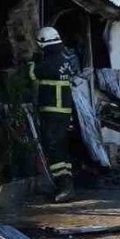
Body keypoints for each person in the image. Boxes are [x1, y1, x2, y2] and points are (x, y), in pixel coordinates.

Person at [29, 27, 76, 202]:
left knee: (54, 148)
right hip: (64, 112)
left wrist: (32, 63)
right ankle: (66, 183)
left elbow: (33, 75)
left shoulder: (48, 62)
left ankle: (64, 186)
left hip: (52, 110)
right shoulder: (65, 60)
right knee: (62, 149)